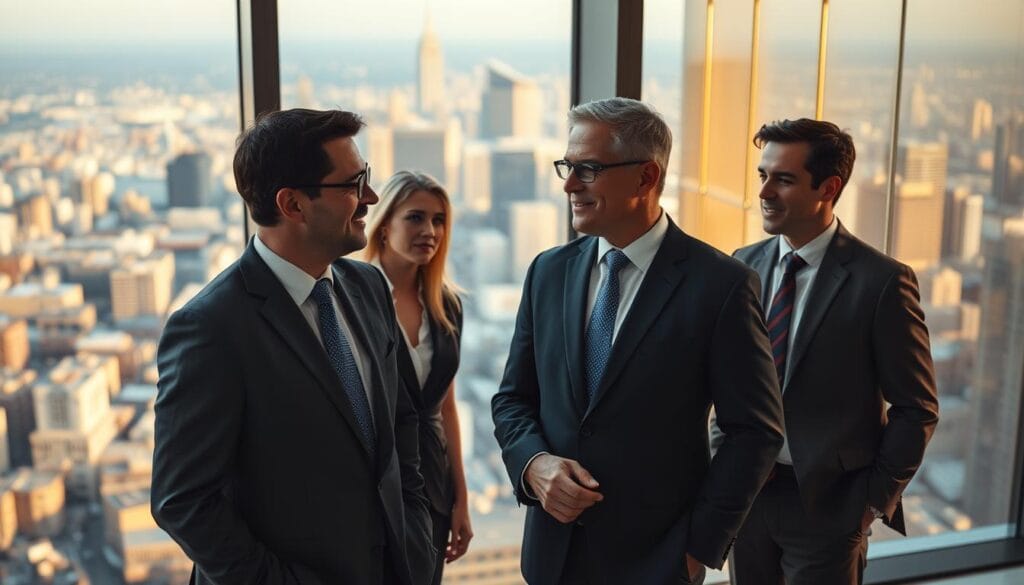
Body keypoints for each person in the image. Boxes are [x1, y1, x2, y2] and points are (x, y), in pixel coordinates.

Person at [490, 97, 786, 585]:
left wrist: (697, 549)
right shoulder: (548, 271)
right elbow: (513, 399)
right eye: (567, 166)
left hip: (658, 561)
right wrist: (534, 466)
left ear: (646, 178)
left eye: (587, 169)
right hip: (552, 557)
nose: (568, 184)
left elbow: (755, 431)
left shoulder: (720, 285)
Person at [151, 108, 434, 585]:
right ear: (293, 205)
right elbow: (182, 501)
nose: (370, 196)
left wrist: (416, 541)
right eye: (352, 184)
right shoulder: (211, 328)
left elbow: (401, 425)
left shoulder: (367, 286)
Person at [721, 118, 940, 585]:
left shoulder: (882, 282)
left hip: (828, 510)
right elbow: (727, 382)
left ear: (829, 187)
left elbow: (916, 408)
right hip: (747, 497)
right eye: (762, 175)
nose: (764, 192)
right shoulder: (744, 265)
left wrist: (869, 504)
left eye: (783, 179)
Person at [361, 170, 472, 584]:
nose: (430, 230)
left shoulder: (448, 306)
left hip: (434, 487)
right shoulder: (350, 298)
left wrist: (461, 496)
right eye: (416, 217)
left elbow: (446, 406)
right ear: (385, 224)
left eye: (439, 220)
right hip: (374, 486)